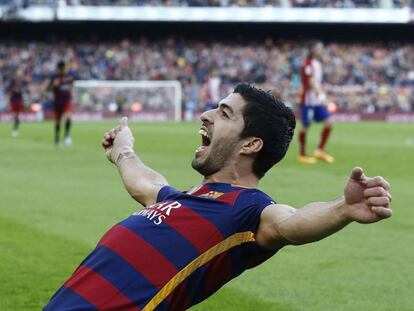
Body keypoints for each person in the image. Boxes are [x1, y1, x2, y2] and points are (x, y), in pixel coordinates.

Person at [44, 84, 392, 311]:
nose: (206, 114)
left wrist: (342, 208)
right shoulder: (185, 200)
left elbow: (291, 223)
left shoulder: (247, 210)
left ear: (251, 144)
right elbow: (145, 184)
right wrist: (123, 151)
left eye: (224, 113)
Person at [298, 43, 334, 164]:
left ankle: (320, 150)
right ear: (313, 50)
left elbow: (317, 82)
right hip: (308, 101)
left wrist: (323, 96)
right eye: (319, 49)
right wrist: (321, 95)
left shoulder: (318, 64)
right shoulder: (307, 64)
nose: (321, 51)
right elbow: (311, 81)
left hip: (317, 101)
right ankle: (302, 154)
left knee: (329, 123)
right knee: (306, 126)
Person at [49, 61, 76, 148]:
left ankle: (66, 136)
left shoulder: (70, 75)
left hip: (66, 101)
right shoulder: (54, 76)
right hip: (57, 102)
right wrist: (54, 85)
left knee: (68, 117)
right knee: (58, 122)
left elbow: (74, 80)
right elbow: (49, 88)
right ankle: (57, 139)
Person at [6, 71, 26, 137]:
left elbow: (23, 91)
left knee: (17, 115)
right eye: (18, 75)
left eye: (20, 75)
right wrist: (9, 99)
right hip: (13, 100)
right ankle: (15, 127)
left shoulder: (22, 82)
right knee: (14, 115)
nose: (19, 76)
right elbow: (9, 91)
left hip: (19, 100)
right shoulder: (13, 82)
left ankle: (15, 129)